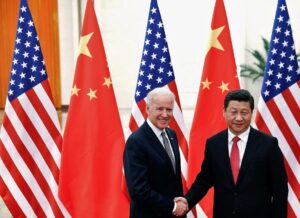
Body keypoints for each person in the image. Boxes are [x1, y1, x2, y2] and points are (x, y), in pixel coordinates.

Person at [175, 89, 288, 218]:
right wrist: (187, 201)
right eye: (233, 112)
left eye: (244, 112)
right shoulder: (214, 144)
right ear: (224, 112)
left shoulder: (268, 144)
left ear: (251, 113)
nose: (239, 118)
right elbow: (204, 180)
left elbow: (280, 190)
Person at [123, 87, 187, 218]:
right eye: (159, 109)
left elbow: (172, 178)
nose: (165, 114)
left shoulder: (171, 134)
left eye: (169, 109)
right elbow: (138, 190)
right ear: (147, 109)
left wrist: (180, 203)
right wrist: (173, 206)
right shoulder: (136, 141)